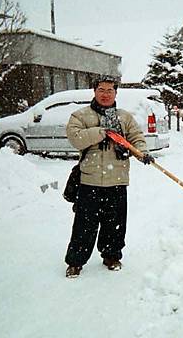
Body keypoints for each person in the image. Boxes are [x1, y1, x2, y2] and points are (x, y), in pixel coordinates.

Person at [63, 76, 154, 278]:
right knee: (84, 225)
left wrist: (142, 152)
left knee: (115, 224)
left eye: (110, 90)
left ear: (115, 93)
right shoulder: (81, 116)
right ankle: (76, 261)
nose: (105, 94)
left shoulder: (125, 117)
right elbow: (76, 139)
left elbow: (136, 138)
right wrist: (102, 132)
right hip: (90, 180)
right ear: (94, 91)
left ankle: (111, 256)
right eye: (101, 90)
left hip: (117, 180)